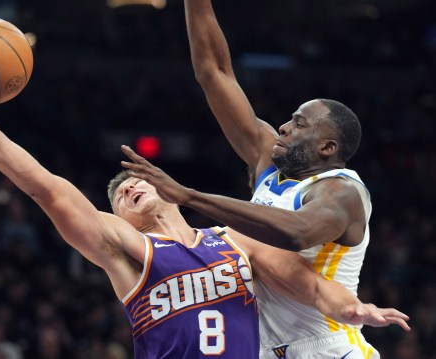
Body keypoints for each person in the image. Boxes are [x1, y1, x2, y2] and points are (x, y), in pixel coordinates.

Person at [0, 50, 409, 359]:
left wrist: (353, 309)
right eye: (118, 195)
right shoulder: (127, 251)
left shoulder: (233, 242)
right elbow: (47, 187)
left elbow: (307, 283)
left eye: (134, 181)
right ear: (117, 220)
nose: (127, 188)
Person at [120, 1, 393, 358]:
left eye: (299, 124)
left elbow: (297, 232)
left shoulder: (342, 191)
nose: (283, 126)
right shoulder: (267, 161)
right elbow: (214, 72)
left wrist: (189, 196)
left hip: (328, 345)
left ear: (327, 147)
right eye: (290, 119)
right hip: (262, 350)